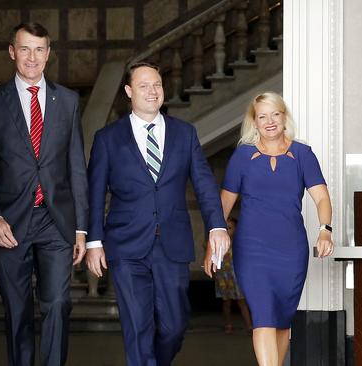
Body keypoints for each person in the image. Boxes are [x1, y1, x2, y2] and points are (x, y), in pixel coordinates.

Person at [85, 61, 230, 366]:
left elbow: (204, 184)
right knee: (138, 328)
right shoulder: (108, 138)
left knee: (173, 327)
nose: (152, 92)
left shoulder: (185, 134)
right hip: (126, 246)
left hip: (172, 244)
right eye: (143, 86)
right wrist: (93, 242)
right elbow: (95, 193)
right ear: (128, 91)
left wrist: (217, 226)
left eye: (157, 85)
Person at [0, 22, 88, 366]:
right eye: (25, 49)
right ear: (12, 52)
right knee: (18, 311)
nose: (32, 57)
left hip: (55, 221)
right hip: (9, 223)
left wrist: (81, 228)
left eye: (39, 49)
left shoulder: (67, 101)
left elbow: (76, 168)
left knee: (56, 304)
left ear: (49, 53)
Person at [204, 92, 333, 366]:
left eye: (275, 114)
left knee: (283, 320)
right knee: (263, 315)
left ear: (284, 117)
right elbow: (223, 204)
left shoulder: (302, 154)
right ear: (254, 122)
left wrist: (325, 229)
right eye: (262, 116)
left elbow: (321, 197)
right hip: (252, 249)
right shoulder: (242, 156)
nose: (269, 121)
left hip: (291, 249)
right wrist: (210, 245)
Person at [211, 217, 252, 334]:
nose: (228, 230)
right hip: (224, 278)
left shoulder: (239, 243)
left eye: (230, 228)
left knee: (241, 301)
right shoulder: (220, 244)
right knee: (226, 302)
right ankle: (227, 324)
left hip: (237, 277)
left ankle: (249, 325)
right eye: (225, 228)